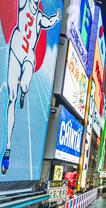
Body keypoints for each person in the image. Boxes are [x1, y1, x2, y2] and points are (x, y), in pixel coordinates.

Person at [2, 0, 62, 175]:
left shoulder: (40, 15)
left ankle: (25, 90)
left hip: (29, 55)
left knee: (26, 82)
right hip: (15, 49)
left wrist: (57, 18)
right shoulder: (24, 4)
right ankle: (8, 148)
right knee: (11, 98)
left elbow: (49, 21)